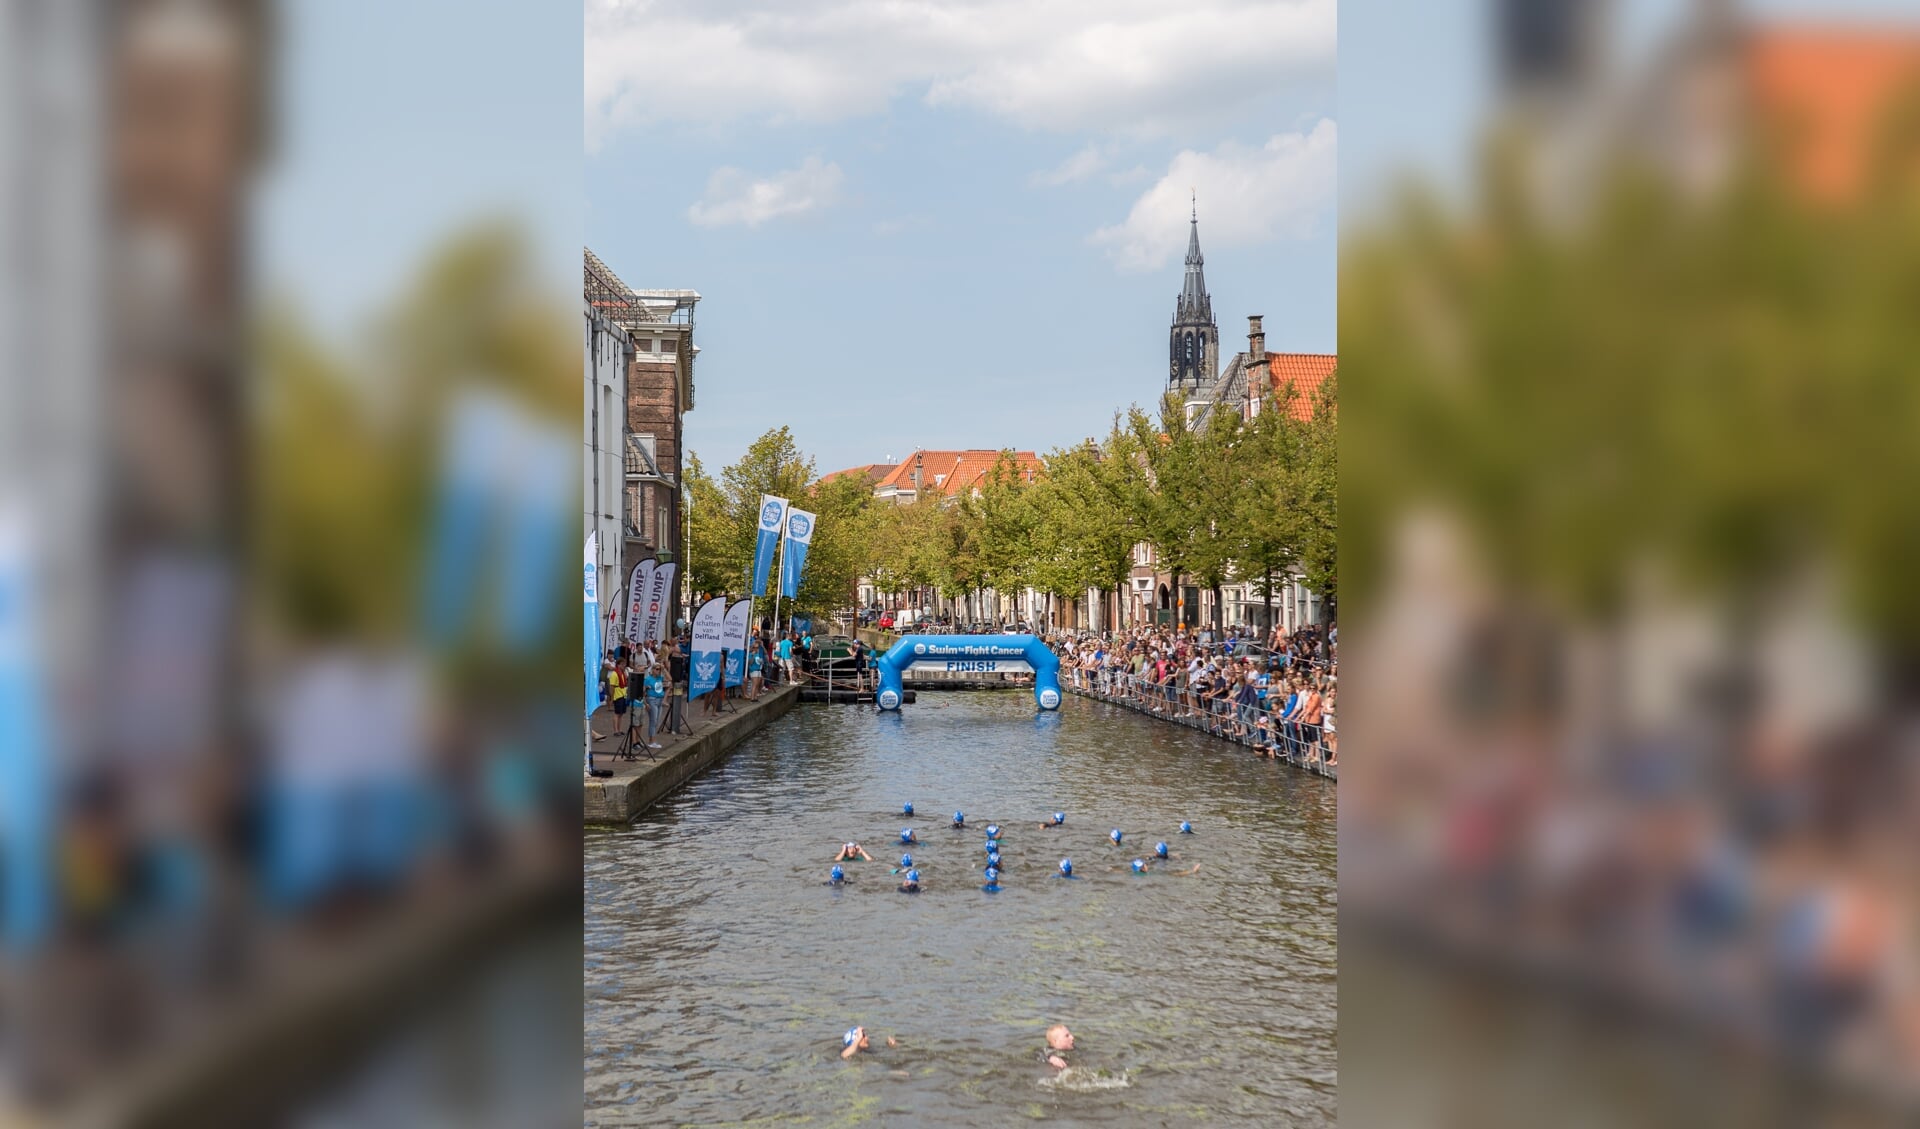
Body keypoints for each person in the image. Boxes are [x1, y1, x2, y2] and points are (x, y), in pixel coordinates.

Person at [642, 662, 667, 749]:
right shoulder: (648, 679)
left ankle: (653, 740)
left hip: (659, 700)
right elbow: (643, 692)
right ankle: (651, 741)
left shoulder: (660, 678)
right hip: (652, 700)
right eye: (656, 669)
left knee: (657, 721)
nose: (658, 671)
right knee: (653, 720)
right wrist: (645, 703)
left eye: (659, 669)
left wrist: (664, 669)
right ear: (652, 670)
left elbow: (670, 679)